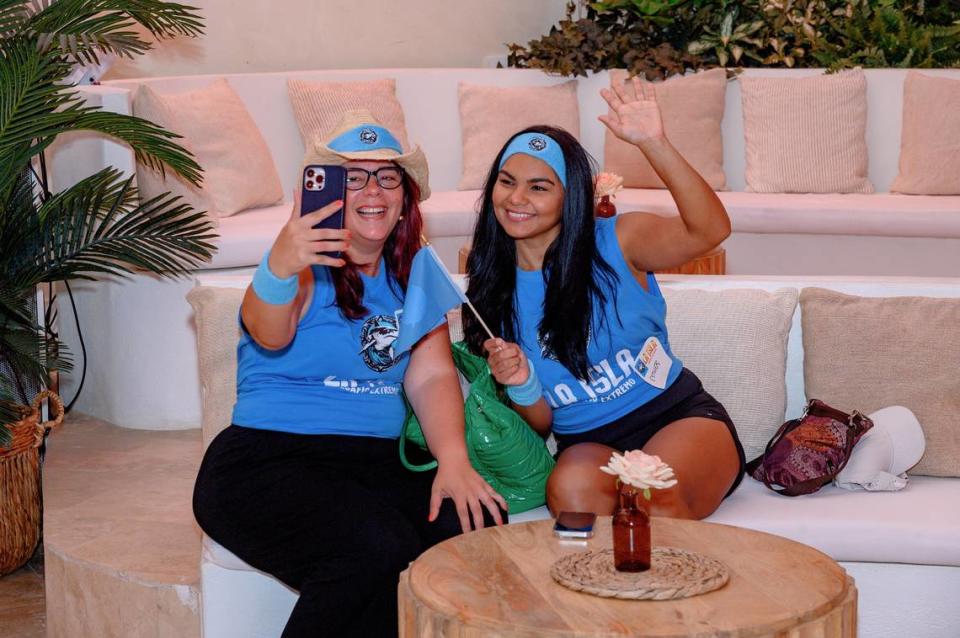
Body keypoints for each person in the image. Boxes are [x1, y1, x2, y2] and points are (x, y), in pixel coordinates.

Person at [193, 110, 506, 638]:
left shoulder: (415, 272)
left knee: (470, 529)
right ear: (327, 190)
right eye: (352, 177)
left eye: (387, 177)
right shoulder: (299, 263)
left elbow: (430, 377)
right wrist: (279, 266)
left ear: (405, 197)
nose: (372, 190)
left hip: (373, 463)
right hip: (268, 458)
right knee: (375, 548)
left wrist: (453, 460)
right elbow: (268, 332)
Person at [463, 78, 746, 520]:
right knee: (570, 499)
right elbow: (539, 425)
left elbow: (710, 230)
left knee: (653, 502)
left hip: (676, 417)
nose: (516, 198)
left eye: (539, 187)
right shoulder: (488, 290)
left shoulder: (617, 241)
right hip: (586, 444)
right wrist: (520, 382)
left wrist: (655, 144)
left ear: (569, 196)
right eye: (506, 182)